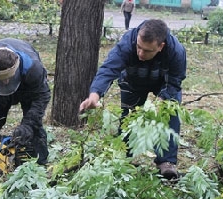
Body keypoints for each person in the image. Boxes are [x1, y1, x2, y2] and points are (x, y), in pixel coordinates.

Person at [79, 19, 186, 179]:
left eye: (147, 51)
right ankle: (125, 157)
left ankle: (167, 163)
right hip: (133, 80)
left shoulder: (176, 51)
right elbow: (109, 68)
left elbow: (176, 80)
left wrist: (163, 100)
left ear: (160, 46)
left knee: (170, 115)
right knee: (128, 118)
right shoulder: (127, 42)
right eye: (138, 47)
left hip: (163, 83)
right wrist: (95, 94)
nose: (140, 54)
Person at [0, 38, 51, 185]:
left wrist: (28, 124)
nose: (5, 83)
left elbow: (42, 96)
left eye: (8, 78)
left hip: (27, 88)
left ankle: (38, 169)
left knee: (34, 128)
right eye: (1, 80)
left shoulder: (32, 67)